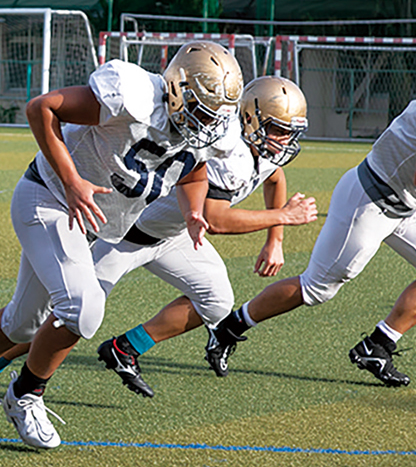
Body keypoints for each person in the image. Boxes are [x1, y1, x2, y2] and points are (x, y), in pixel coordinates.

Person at [0, 41, 243, 449]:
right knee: (83, 309)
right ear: (177, 89)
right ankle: (25, 395)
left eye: (214, 116)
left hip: (90, 219)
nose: (207, 124)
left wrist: (192, 211)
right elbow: (41, 108)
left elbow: (193, 173)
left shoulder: (205, 132)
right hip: (49, 197)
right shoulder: (134, 97)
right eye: (201, 110)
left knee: (23, 321)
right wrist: (72, 180)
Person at [203, 41, 416, 387]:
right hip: (371, 198)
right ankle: (229, 329)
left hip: (411, 202)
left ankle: (377, 345)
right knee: (317, 289)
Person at [91, 76, 318, 398]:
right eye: (278, 129)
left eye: (288, 132)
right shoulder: (230, 151)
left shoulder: (261, 148)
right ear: (251, 118)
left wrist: (275, 240)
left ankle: (123, 348)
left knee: (216, 301)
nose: (283, 140)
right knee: (69, 310)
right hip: (123, 233)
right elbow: (216, 219)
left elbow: (274, 178)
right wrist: (283, 216)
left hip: (176, 234)